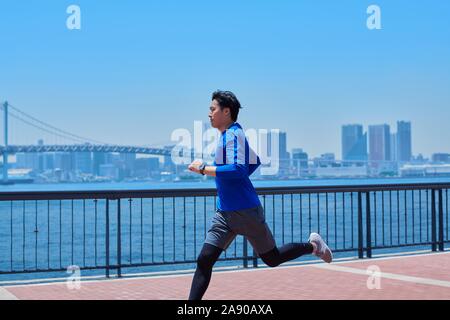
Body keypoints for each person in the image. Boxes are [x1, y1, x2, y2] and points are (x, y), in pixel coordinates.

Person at [187, 90, 332, 300]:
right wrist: (235, 180)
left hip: (246, 211)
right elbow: (252, 163)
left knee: (272, 258)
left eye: (212, 109)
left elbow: (238, 169)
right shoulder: (229, 135)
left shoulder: (233, 135)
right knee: (205, 260)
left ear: (226, 111)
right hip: (224, 213)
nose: (209, 114)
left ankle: (313, 246)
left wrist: (204, 169)